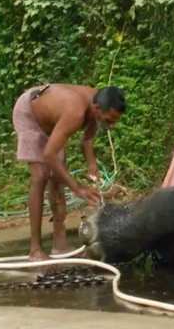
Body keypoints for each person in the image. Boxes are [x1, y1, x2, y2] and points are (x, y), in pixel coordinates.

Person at [12, 84, 126, 261]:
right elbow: (49, 154)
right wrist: (77, 188)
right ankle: (35, 249)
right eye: (109, 120)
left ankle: (60, 245)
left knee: (57, 177)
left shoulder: (96, 102)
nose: (110, 126)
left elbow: (87, 141)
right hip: (30, 114)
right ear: (97, 109)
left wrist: (92, 166)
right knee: (41, 175)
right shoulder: (75, 111)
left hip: (53, 124)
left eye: (114, 121)